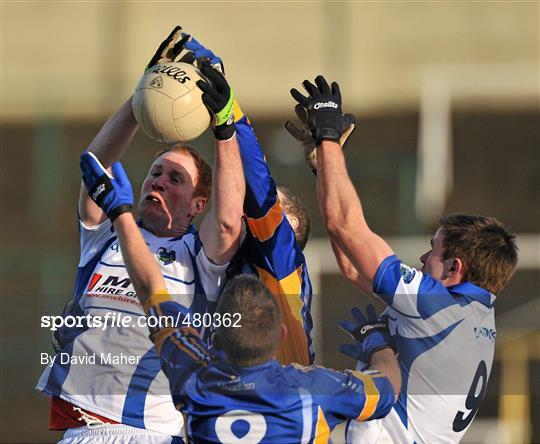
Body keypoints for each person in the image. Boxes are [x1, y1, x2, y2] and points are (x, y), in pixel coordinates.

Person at [78, 151, 402, 443]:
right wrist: (379, 345)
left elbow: (150, 289)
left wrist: (121, 214)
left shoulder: (197, 379)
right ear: (280, 332)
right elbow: (386, 389)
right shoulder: (310, 388)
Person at [36, 26, 244, 443]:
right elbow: (94, 164)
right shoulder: (107, 235)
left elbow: (228, 224)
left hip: (144, 432)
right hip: (80, 428)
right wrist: (141, 97)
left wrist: (225, 127)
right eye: (155, 172)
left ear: (197, 204)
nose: (159, 182)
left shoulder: (197, 257)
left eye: (175, 179)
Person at [288, 75, 519, 443]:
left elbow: (345, 226)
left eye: (434, 250)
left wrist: (329, 138)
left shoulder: (435, 307)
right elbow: (351, 264)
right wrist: (324, 166)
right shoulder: (472, 315)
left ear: (456, 269)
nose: (424, 257)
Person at [183, 36, 315, 365]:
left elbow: (258, 189)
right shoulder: (226, 266)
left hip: (281, 406)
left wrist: (230, 115)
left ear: (291, 224)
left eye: (276, 204)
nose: (248, 207)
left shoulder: (281, 261)